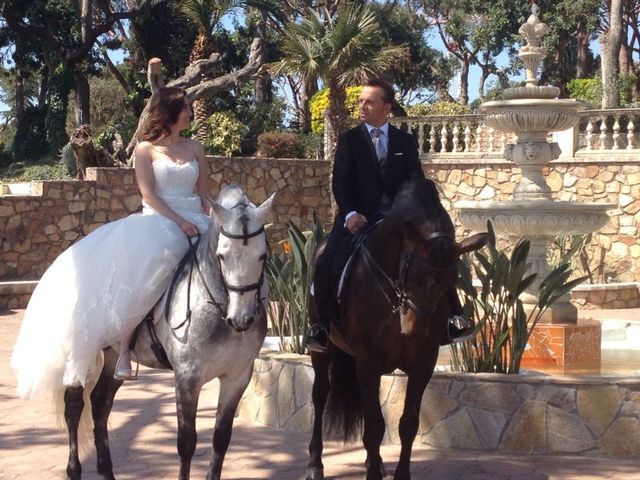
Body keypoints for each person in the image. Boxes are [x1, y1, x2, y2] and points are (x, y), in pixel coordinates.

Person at [12, 86, 211, 397]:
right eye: (185, 106)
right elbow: (148, 195)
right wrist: (181, 222)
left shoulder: (195, 148)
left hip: (197, 220)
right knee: (150, 271)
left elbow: (204, 195)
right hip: (160, 222)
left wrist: (215, 220)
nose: (190, 111)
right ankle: (124, 348)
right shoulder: (145, 150)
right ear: (170, 112)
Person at [306, 78, 473, 352]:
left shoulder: (405, 142)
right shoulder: (349, 141)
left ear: (386, 106)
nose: (362, 106)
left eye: (369, 101)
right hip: (357, 221)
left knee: (438, 257)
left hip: (400, 224)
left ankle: (453, 318)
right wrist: (349, 215)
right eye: (361, 101)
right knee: (325, 258)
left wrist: (415, 221)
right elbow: (341, 183)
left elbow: (415, 183)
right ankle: (321, 326)